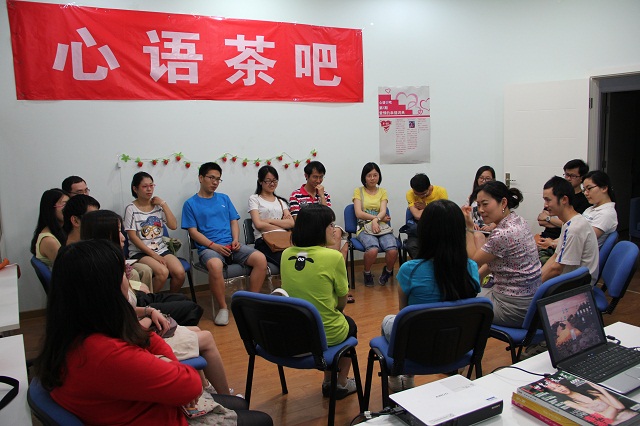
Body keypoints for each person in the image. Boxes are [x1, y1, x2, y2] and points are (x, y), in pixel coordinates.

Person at [35, 239, 272, 425]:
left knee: (238, 405)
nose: (127, 278)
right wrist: (149, 338)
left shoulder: (70, 336)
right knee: (262, 419)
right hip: (162, 415)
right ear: (105, 291)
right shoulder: (107, 353)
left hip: (142, 406)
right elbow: (189, 385)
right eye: (122, 274)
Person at [381, 199, 481, 392]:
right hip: (457, 346)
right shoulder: (471, 268)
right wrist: (469, 228)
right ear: (459, 232)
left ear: (424, 231)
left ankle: (400, 375)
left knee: (389, 320)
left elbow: (404, 314)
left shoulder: (410, 269)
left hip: (418, 349)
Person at [280, 204, 358, 400]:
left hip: (294, 334)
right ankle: (339, 383)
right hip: (324, 335)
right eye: (331, 225)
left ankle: (328, 381)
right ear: (318, 229)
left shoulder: (286, 254)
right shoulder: (333, 256)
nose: (335, 229)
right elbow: (342, 299)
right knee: (349, 325)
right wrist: (338, 311)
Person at [81, 210, 203, 327]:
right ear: (104, 235)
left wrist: (139, 289)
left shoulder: (111, 256)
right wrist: (149, 314)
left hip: (136, 300)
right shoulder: (102, 267)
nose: (123, 237)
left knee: (184, 299)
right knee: (191, 309)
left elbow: (173, 225)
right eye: (118, 231)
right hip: (133, 309)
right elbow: (123, 311)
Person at [182, 162, 267, 326]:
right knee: (215, 265)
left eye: (218, 179)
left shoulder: (224, 198)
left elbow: (233, 221)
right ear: (201, 178)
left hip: (231, 245)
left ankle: (250, 302)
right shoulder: (190, 204)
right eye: (211, 178)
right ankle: (223, 308)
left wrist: (235, 239)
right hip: (209, 248)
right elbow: (193, 232)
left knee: (260, 259)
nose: (215, 182)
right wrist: (213, 245)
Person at [463, 181, 542, 327]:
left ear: (503, 202)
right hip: (530, 301)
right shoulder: (518, 220)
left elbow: (473, 260)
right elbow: (499, 260)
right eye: (478, 205)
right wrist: (477, 277)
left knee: (459, 307)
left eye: (485, 204)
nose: (480, 210)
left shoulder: (503, 233)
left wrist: (468, 228)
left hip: (512, 307)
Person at [125, 172, 186, 293]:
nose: (149, 189)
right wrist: (154, 255)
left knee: (180, 273)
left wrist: (163, 204)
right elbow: (132, 237)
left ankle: (170, 299)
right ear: (135, 189)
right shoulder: (131, 209)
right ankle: (149, 300)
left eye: (151, 185)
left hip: (161, 249)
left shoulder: (157, 207)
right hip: (140, 252)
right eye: (145, 186)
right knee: (163, 272)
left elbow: (173, 226)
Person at [540, 176, 599, 287]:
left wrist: (533, 288)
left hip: (577, 288)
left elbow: (556, 268)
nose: (545, 205)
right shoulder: (568, 222)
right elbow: (555, 257)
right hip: (571, 281)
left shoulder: (574, 228)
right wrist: (536, 280)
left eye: (548, 200)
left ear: (564, 200)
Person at [352, 162, 398, 286]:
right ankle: (367, 273)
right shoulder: (358, 191)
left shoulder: (382, 191)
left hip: (381, 226)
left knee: (393, 250)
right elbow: (358, 213)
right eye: (369, 175)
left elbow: (383, 210)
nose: (372, 178)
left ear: (379, 176)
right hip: (364, 227)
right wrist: (376, 219)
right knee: (373, 249)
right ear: (364, 177)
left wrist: (376, 220)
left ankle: (388, 271)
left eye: (375, 175)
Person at [536, 159, 591, 256]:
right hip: (545, 237)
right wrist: (557, 222)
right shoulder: (557, 194)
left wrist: (548, 219)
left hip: (556, 241)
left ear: (581, 178)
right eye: (566, 175)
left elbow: (566, 222)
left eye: (572, 176)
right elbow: (541, 220)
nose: (568, 178)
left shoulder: (584, 202)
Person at [248, 165, 294, 266]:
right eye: (268, 181)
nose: (272, 184)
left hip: (284, 239)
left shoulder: (281, 201)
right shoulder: (254, 199)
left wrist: (268, 220)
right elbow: (258, 225)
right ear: (260, 181)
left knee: (300, 259)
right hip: (264, 240)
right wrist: (283, 225)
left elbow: (291, 223)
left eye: (274, 180)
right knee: (287, 262)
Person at [541, 379, 638, 424]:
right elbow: (605, 419)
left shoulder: (590, 392)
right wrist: (613, 407)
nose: (560, 389)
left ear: (564, 385)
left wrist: (602, 391)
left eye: (559, 386)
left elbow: (620, 407)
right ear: (554, 392)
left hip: (632, 416)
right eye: (554, 389)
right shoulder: (569, 403)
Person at [404, 173, 448, 259]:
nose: (420, 197)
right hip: (418, 229)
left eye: (423, 194)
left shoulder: (441, 191)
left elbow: (443, 214)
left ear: (429, 187)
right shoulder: (410, 193)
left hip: (437, 227)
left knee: (442, 245)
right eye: (417, 194)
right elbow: (417, 216)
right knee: (411, 246)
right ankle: (422, 265)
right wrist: (433, 208)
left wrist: (426, 206)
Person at [30, 188, 68, 267]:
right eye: (64, 204)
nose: (69, 208)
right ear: (51, 209)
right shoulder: (49, 240)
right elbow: (67, 268)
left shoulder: (59, 230)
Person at [582, 170, 618, 248]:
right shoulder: (590, 209)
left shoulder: (606, 213)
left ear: (604, 188)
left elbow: (584, 239)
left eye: (589, 188)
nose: (585, 193)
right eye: (584, 189)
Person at [469, 166, 496, 232]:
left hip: (490, 229)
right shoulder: (471, 197)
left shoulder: (496, 196)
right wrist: (471, 224)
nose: (484, 181)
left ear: (493, 180)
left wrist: (492, 226)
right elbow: (468, 215)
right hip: (475, 229)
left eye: (487, 178)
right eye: (481, 178)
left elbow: (502, 216)